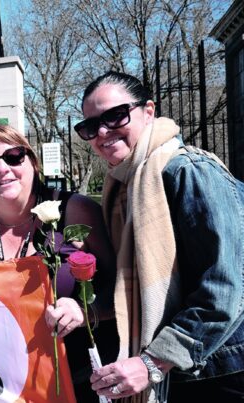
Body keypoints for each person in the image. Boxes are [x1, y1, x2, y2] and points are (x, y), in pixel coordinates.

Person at [79, 71, 244, 402]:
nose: (102, 132)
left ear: (149, 111)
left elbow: (225, 290)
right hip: (179, 371)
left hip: (221, 369)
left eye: (115, 115)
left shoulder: (189, 171)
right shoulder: (123, 187)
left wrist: (152, 363)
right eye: (89, 126)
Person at [0, 124, 118, 402]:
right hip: (7, 386)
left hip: (85, 381)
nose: (2, 168)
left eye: (14, 156)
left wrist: (85, 311)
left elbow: (126, 288)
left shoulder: (76, 211)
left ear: (33, 163)